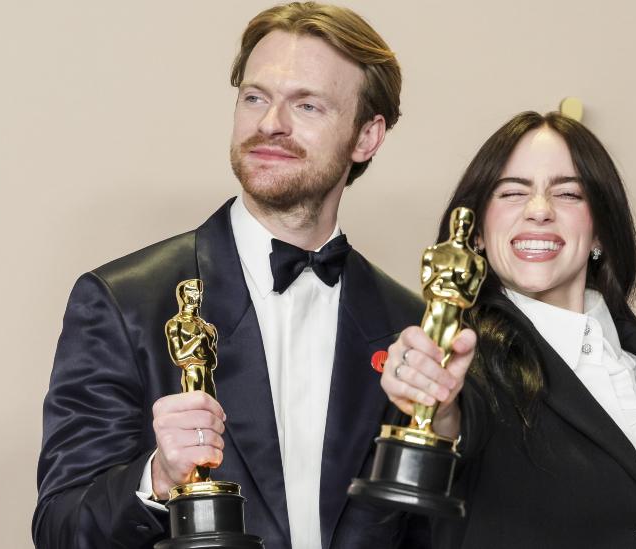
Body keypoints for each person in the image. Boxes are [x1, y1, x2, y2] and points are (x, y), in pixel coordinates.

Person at [33, 3, 428, 548]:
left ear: (367, 136)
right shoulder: (122, 302)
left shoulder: (410, 323)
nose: (271, 124)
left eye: (307, 105)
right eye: (255, 97)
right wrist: (157, 478)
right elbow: (60, 530)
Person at [381, 111, 636, 548]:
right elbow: (448, 431)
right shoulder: (461, 363)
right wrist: (435, 405)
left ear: (601, 230)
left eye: (568, 194)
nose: (540, 211)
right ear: (475, 234)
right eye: (512, 192)